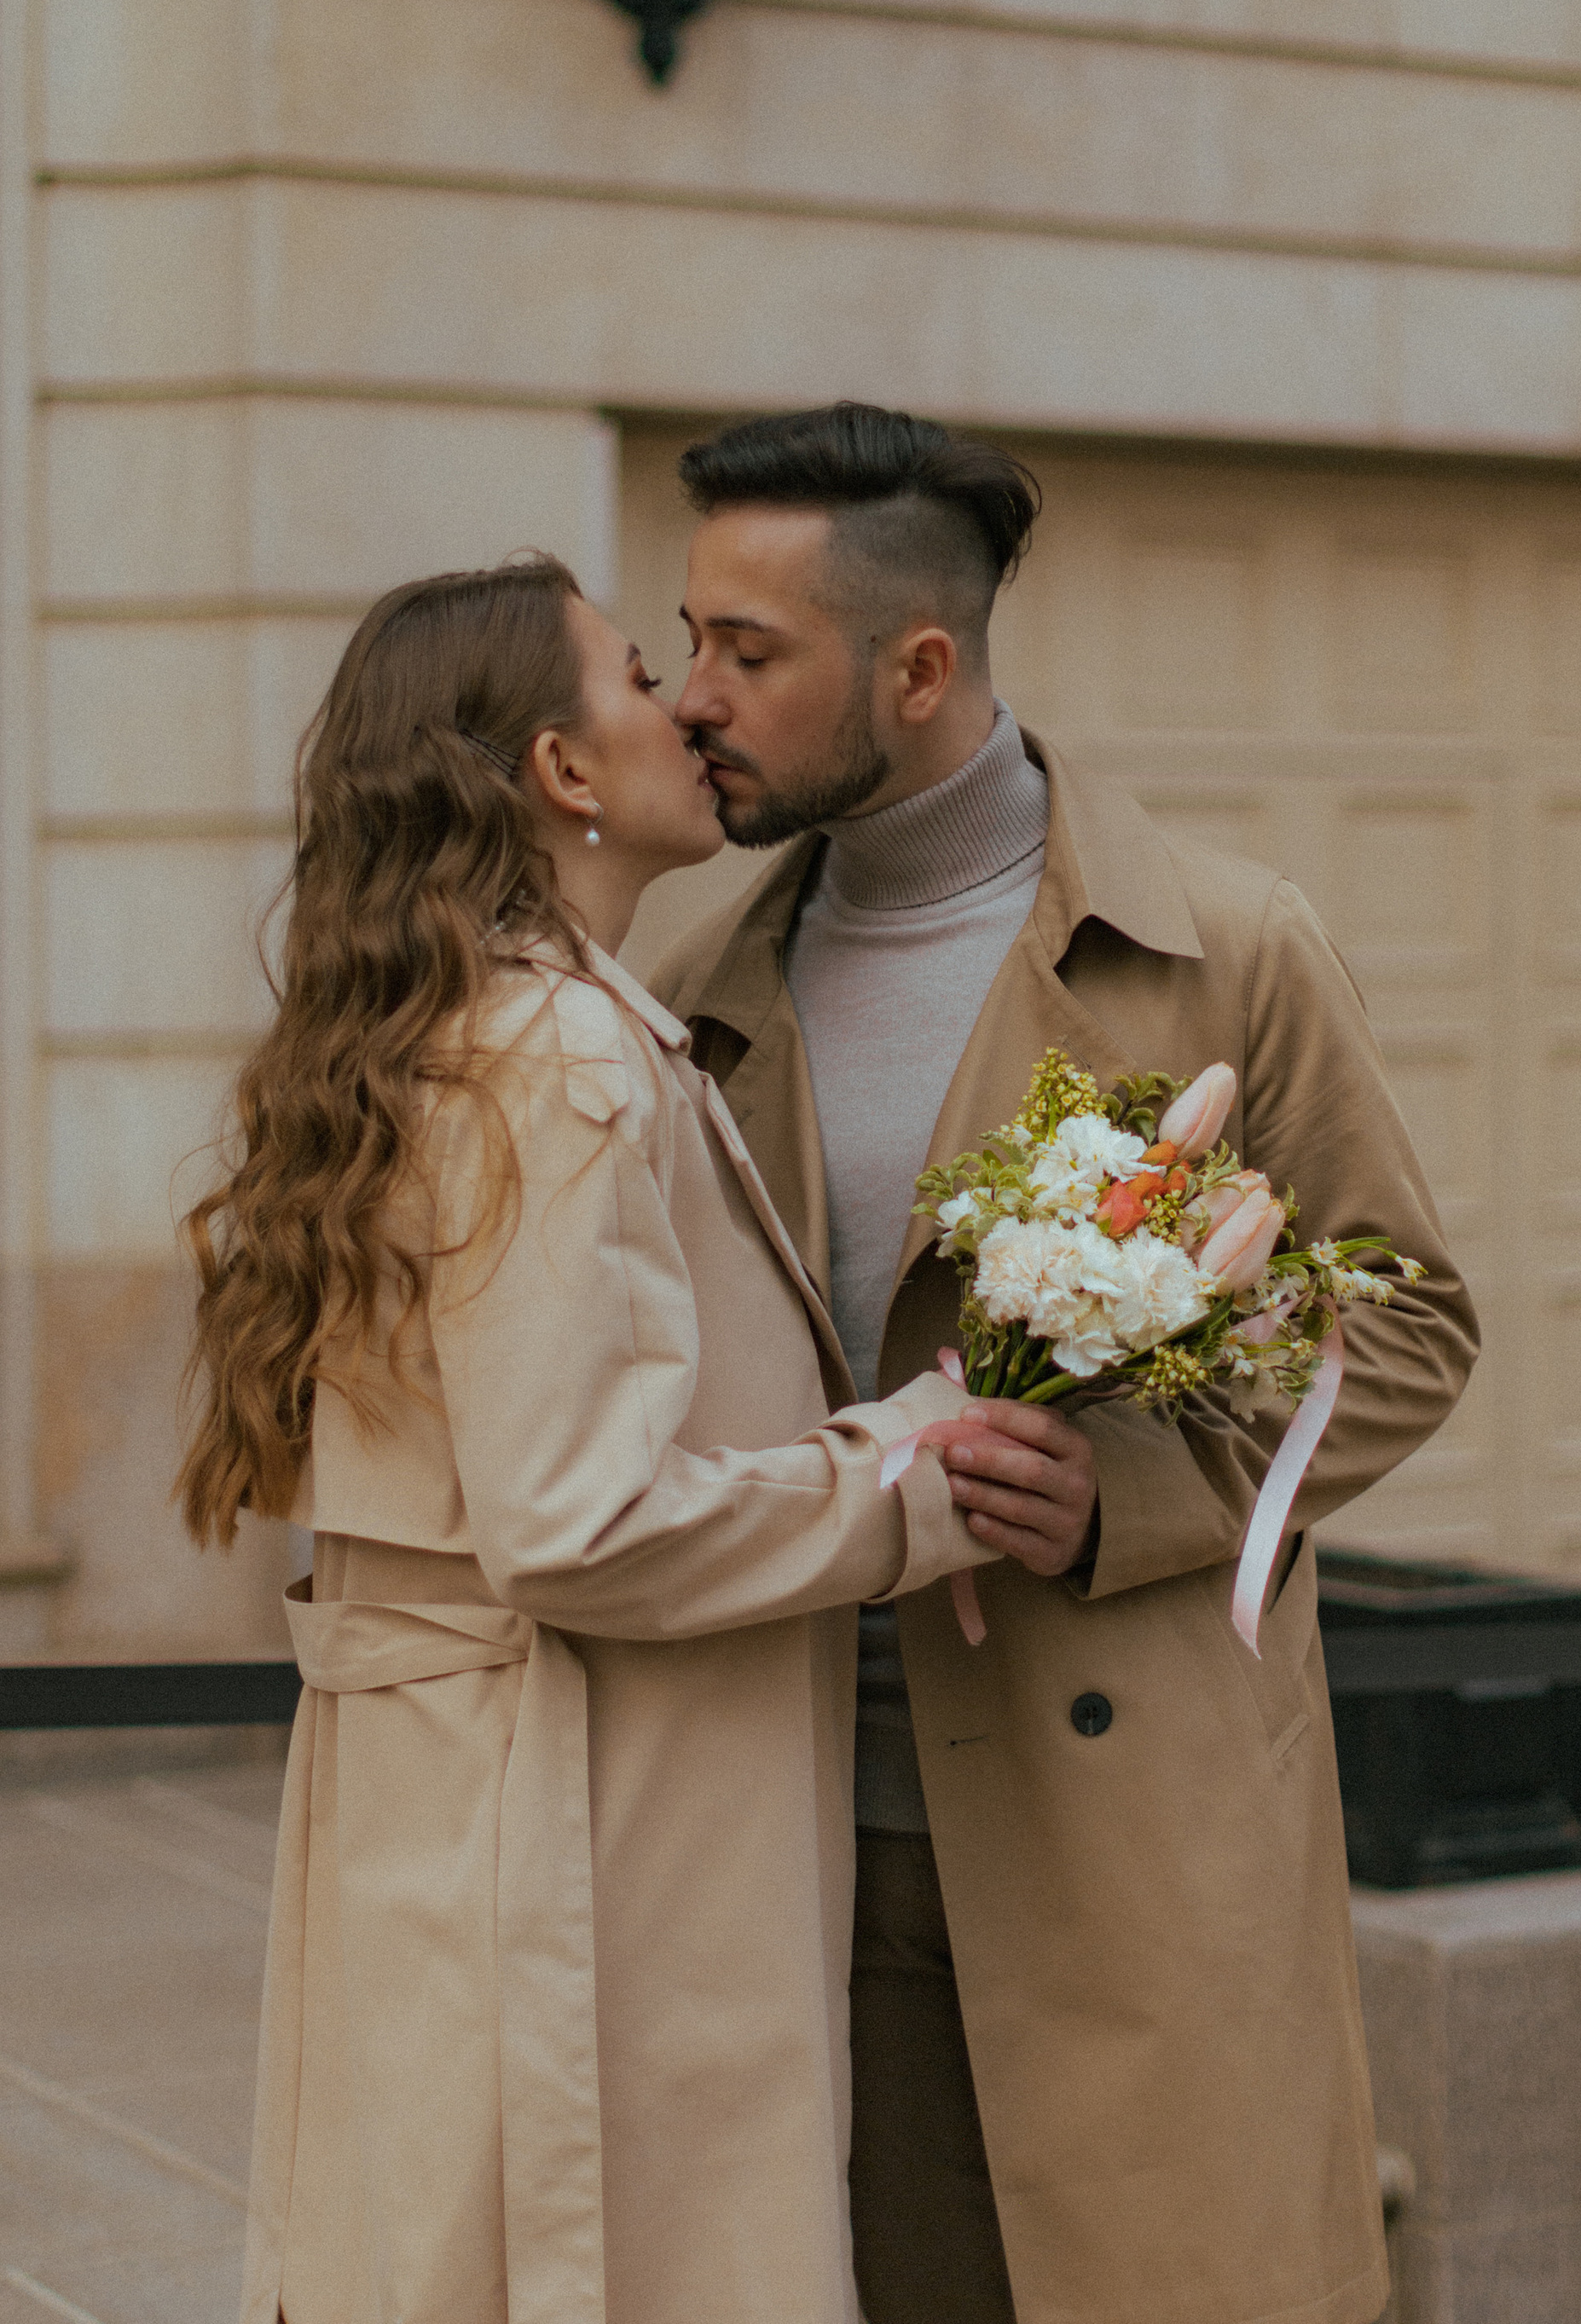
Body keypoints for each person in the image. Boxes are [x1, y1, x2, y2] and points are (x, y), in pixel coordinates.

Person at [652, 404, 1482, 2324]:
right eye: (685, 636)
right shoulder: (690, 982)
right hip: (791, 1826)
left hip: (1130, 1816)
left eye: (746, 651)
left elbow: (1410, 1317)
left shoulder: (1220, 950)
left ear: (918, 667)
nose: (693, 694)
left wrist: (1140, 1492)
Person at [176, 556, 989, 2324]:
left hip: (485, 1802)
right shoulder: (555, 1055)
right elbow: (576, 1521)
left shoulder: (474, 1031)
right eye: (638, 673)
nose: (689, 704)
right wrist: (907, 1479)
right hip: (579, 1827)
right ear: (556, 768)